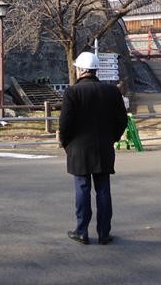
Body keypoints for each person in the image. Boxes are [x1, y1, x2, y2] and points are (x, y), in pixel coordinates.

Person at [59, 52, 128, 245]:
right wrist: (111, 138)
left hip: (78, 149)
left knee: (82, 188)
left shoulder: (72, 92)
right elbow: (122, 120)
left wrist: (66, 143)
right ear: (96, 70)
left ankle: (82, 231)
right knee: (103, 190)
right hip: (104, 148)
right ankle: (104, 233)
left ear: (80, 70)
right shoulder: (112, 92)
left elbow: (65, 124)